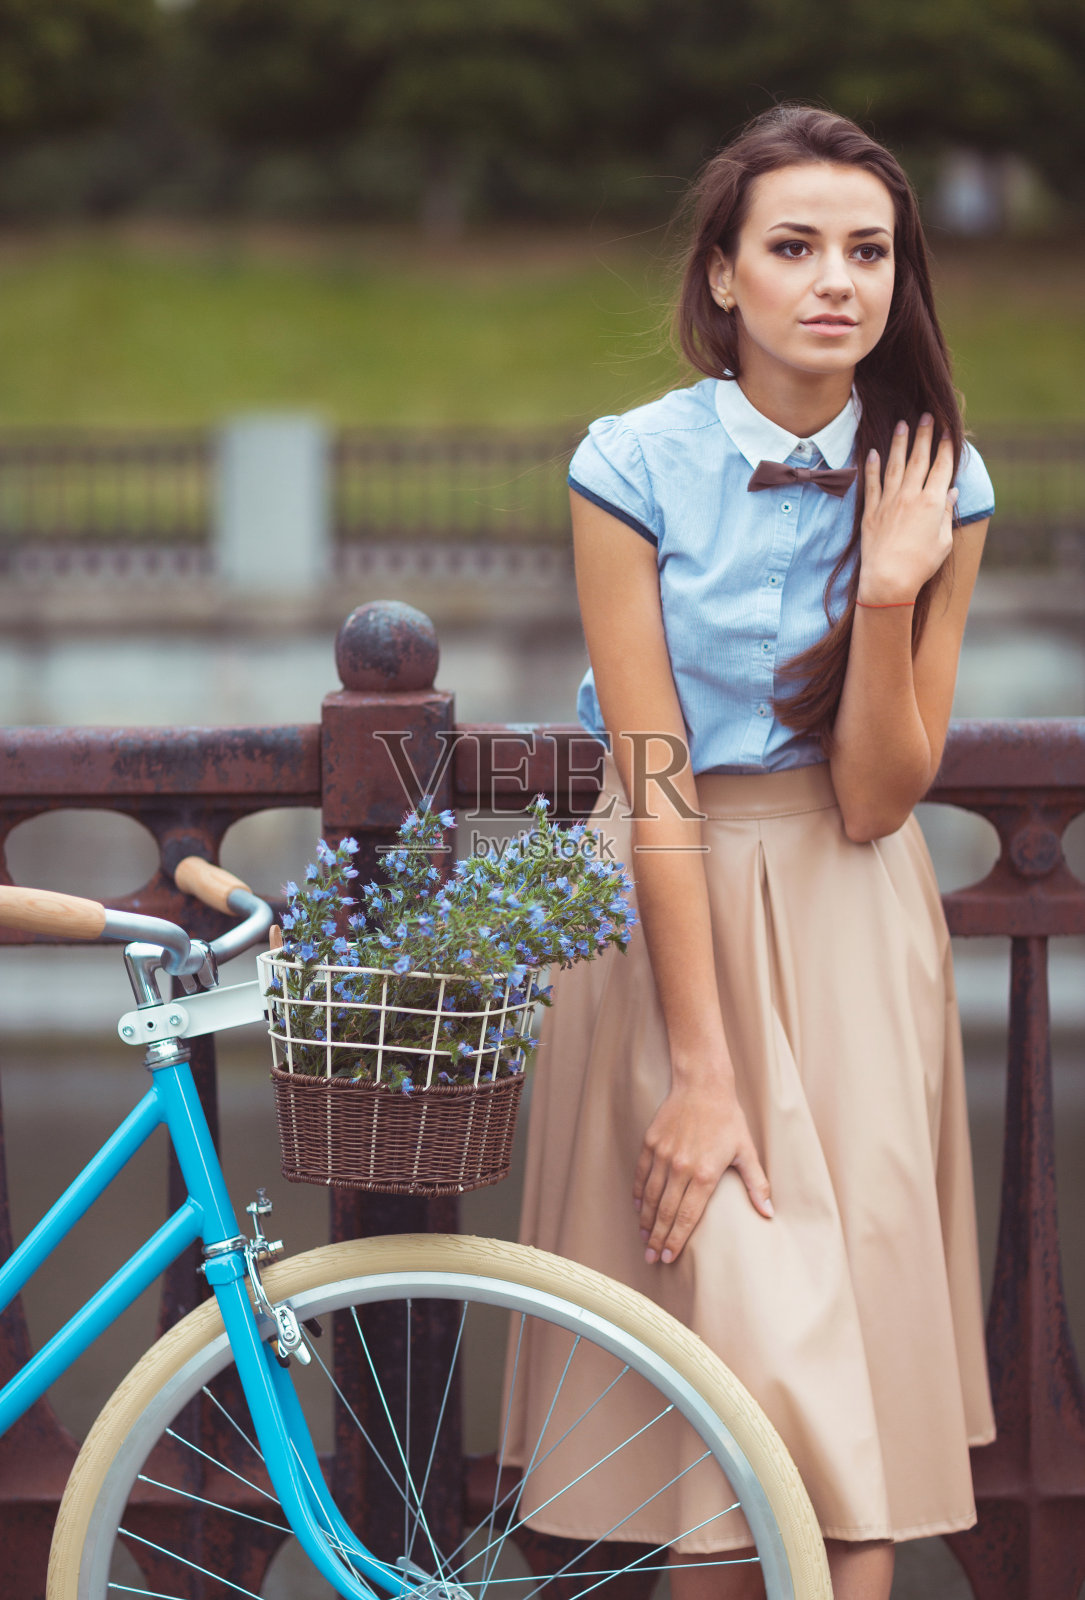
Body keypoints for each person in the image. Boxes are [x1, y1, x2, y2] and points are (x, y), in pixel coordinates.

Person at [501, 105, 996, 1600]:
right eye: (791, 247)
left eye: (865, 250)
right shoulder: (629, 464)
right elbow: (651, 777)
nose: (832, 280)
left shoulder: (938, 482)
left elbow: (875, 796)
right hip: (671, 909)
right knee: (716, 1411)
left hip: (850, 920)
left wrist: (893, 588)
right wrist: (699, 1069)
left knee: (831, 1436)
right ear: (722, 277)